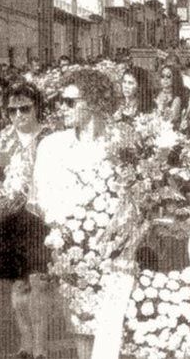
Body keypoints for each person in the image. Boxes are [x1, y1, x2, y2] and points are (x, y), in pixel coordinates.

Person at [33, 69, 119, 359]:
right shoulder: (51, 146)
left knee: (116, 328)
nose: (61, 108)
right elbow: (43, 197)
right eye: (59, 101)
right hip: (74, 253)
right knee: (83, 327)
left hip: (117, 252)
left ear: (94, 102)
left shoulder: (120, 144)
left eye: (70, 102)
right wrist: (70, 233)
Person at [0, 82, 54, 359]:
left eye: (25, 109)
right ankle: (25, 344)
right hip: (6, 216)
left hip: (40, 216)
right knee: (19, 283)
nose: (19, 115)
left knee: (39, 281)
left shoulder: (50, 138)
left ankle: (41, 348)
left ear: (37, 107)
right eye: (13, 110)